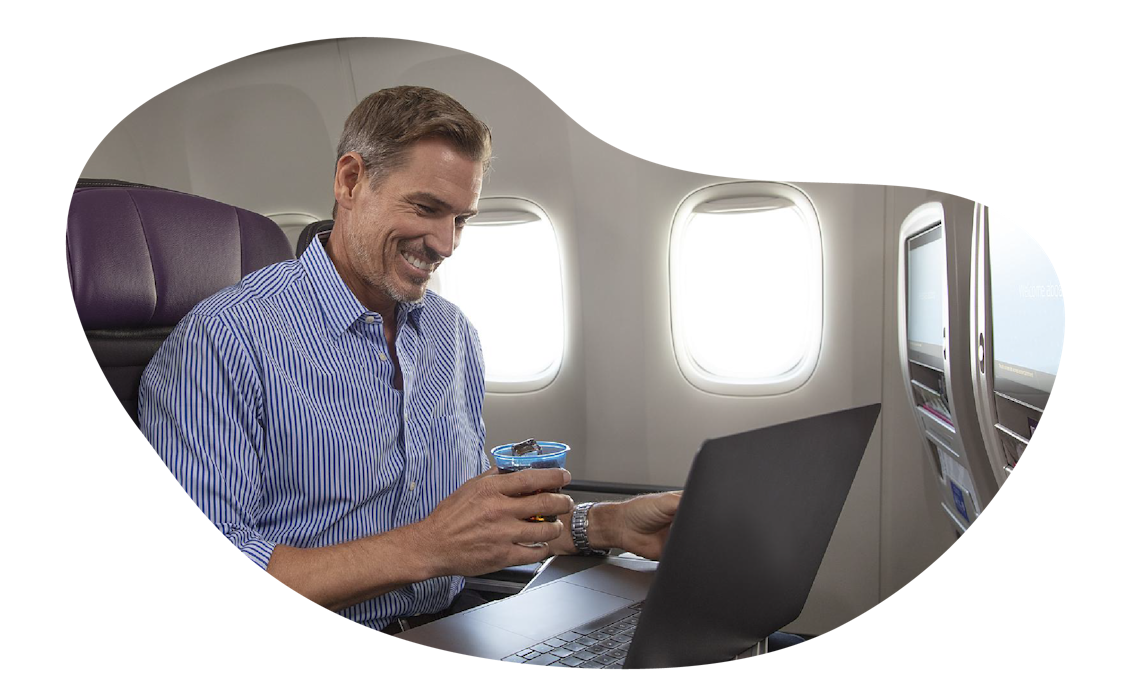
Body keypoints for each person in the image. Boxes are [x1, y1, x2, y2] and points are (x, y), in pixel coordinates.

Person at [138, 85, 681, 634]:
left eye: (462, 219)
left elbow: (477, 533)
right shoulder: (228, 341)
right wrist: (427, 549)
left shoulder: (453, 336)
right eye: (427, 208)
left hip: (454, 625)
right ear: (351, 182)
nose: (447, 244)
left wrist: (611, 527)